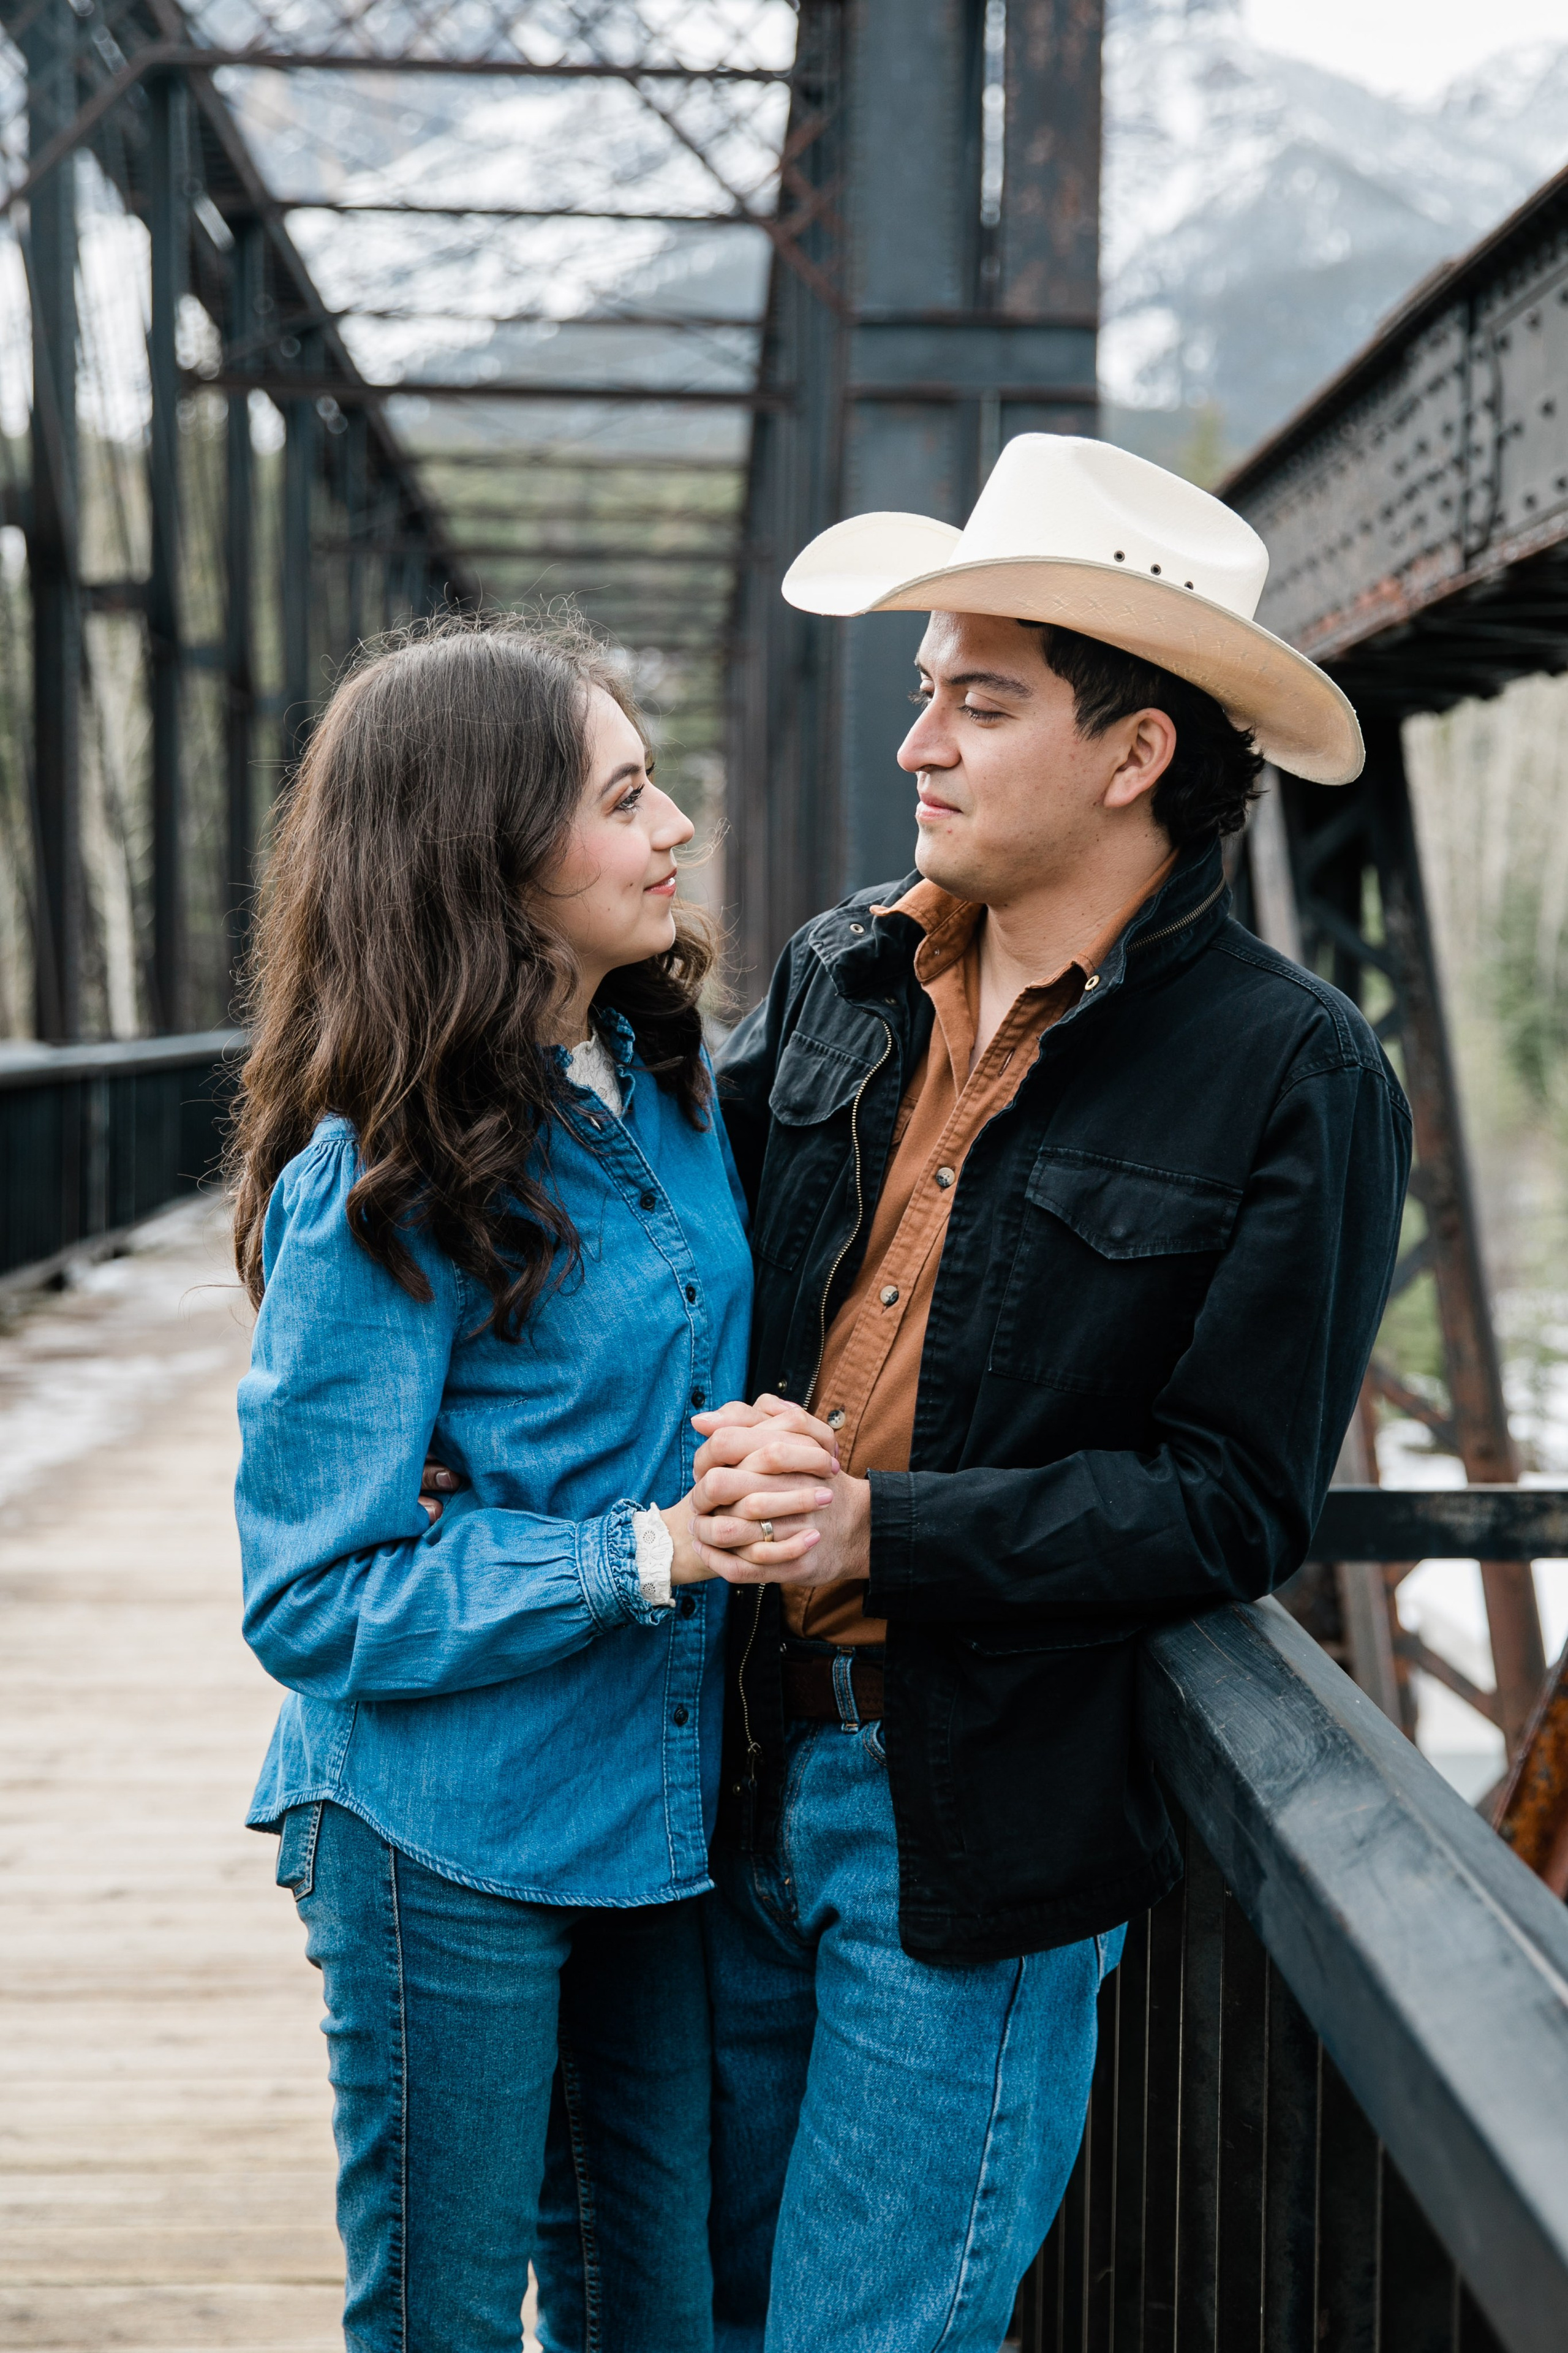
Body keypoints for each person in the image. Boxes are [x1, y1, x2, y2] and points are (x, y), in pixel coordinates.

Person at [680, 435, 1412, 2351]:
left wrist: (878, 1527)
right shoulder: (843, 973)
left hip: (973, 1836)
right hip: (715, 1772)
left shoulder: (1293, 1073)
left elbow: (1232, 1498)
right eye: (926, 691)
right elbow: (693, 1274)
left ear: (1134, 752)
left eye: (979, 700)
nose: (918, 741)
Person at [228, 614, 837, 2353]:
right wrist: (644, 1547)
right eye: (628, 798)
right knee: (441, 2321)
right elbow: (311, 1593)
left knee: (659, 2314)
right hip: (446, 1837)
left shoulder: (665, 1086)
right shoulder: (383, 1179)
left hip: (650, 1824)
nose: (677, 834)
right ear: (486, 859)